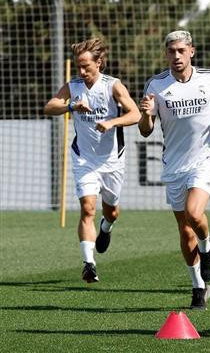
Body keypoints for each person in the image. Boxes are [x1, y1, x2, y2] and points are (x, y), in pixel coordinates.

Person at [138, 30, 210, 310]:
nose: (176, 56)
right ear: (166, 53)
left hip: (204, 159)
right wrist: (145, 114)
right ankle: (198, 288)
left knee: (194, 213)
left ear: (191, 51)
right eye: (171, 51)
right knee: (184, 230)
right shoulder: (156, 85)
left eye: (181, 50)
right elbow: (145, 131)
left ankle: (207, 248)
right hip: (174, 164)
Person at [44, 38, 141, 283]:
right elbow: (50, 106)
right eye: (79, 66)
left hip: (111, 161)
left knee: (112, 211)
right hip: (84, 158)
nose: (82, 71)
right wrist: (71, 108)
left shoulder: (113, 86)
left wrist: (111, 122)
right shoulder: (73, 86)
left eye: (86, 66)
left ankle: (106, 227)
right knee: (87, 208)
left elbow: (135, 114)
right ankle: (89, 264)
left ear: (99, 63)